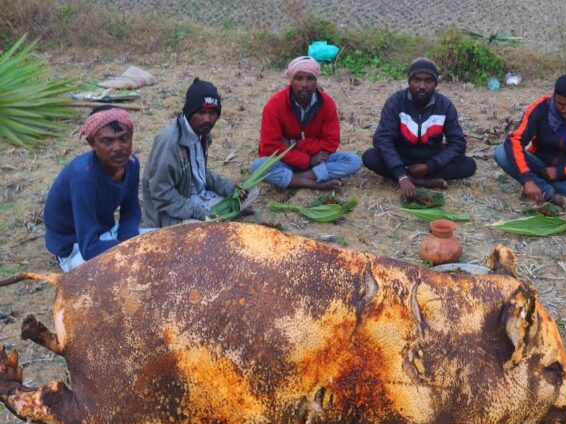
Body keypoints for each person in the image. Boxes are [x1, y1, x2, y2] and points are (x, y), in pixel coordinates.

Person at [44, 107, 146, 272]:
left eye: (124, 138)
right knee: (129, 272)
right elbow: (89, 248)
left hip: (104, 234)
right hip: (75, 248)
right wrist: (129, 250)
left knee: (168, 244)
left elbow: (131, 211)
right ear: (92, 143)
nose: (118, 147)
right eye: (107, 141)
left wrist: (129, 241)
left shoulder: (131, 164)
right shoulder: (83, 178)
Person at [362, 57, 476, 200]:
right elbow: (383, 139)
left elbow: (458, 143)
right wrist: (401, 174)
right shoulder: (396, 102)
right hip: (402, 156)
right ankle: (412, 179)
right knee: (370, 157)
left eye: (428, 81)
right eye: (417, 80)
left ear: (435, 83)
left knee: (469, 165)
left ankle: (420, 178)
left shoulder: (445, 106)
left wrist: (430, 165)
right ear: (409, 82)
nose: (422, 86)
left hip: (431, 157)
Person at [143, 78, 251, 227]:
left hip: (197, 197)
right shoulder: (170, 142)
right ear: (189, 112)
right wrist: (198, 211)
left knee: (249, 195)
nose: (207, 119)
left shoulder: (202, 134)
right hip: (171, 212)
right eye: (201, 112)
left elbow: (199, 172)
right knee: (206, 231)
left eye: (213, 113)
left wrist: (228, 188)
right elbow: (162, 194)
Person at [494, 74, 566, 210]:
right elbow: (515, 140)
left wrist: (562, 171)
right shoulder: (541, 106)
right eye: (561, 104)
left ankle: (542, 188)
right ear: (554, 97)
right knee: (501, 152)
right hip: (540, 165)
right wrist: (527, 178)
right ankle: (550, 193)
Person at [254, 56, 361, 190]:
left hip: (318, 160)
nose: (304, 84)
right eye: (299, 78)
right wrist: (306, 160)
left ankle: (295, 179)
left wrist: (294, 144)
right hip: (288, 161)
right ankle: (313, 183)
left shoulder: (327, 103)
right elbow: (270, 147)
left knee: (354, 161)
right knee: (258, 166)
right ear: (291, 80)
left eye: (310, 78)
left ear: (316, 80)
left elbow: (331, 142)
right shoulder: (274, 105)